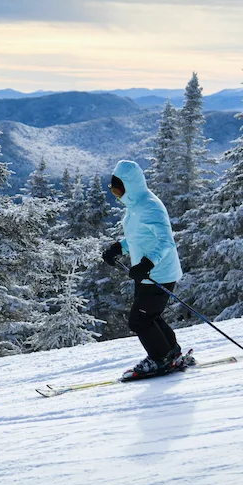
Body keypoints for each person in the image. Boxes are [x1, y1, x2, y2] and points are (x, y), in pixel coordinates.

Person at [101, 160, 191, 380]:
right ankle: (172, 353)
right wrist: (117, 248)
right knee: (150, 315)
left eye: (118, 189)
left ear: (129, 185)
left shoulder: (149, 206)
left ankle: (160, 359)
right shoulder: (135, 206)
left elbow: (166, 241)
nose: (116, 194)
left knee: (139, 321)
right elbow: (138, 237)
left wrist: (147, 264)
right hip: (146, 274)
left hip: (159, 273)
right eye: (113, 189)